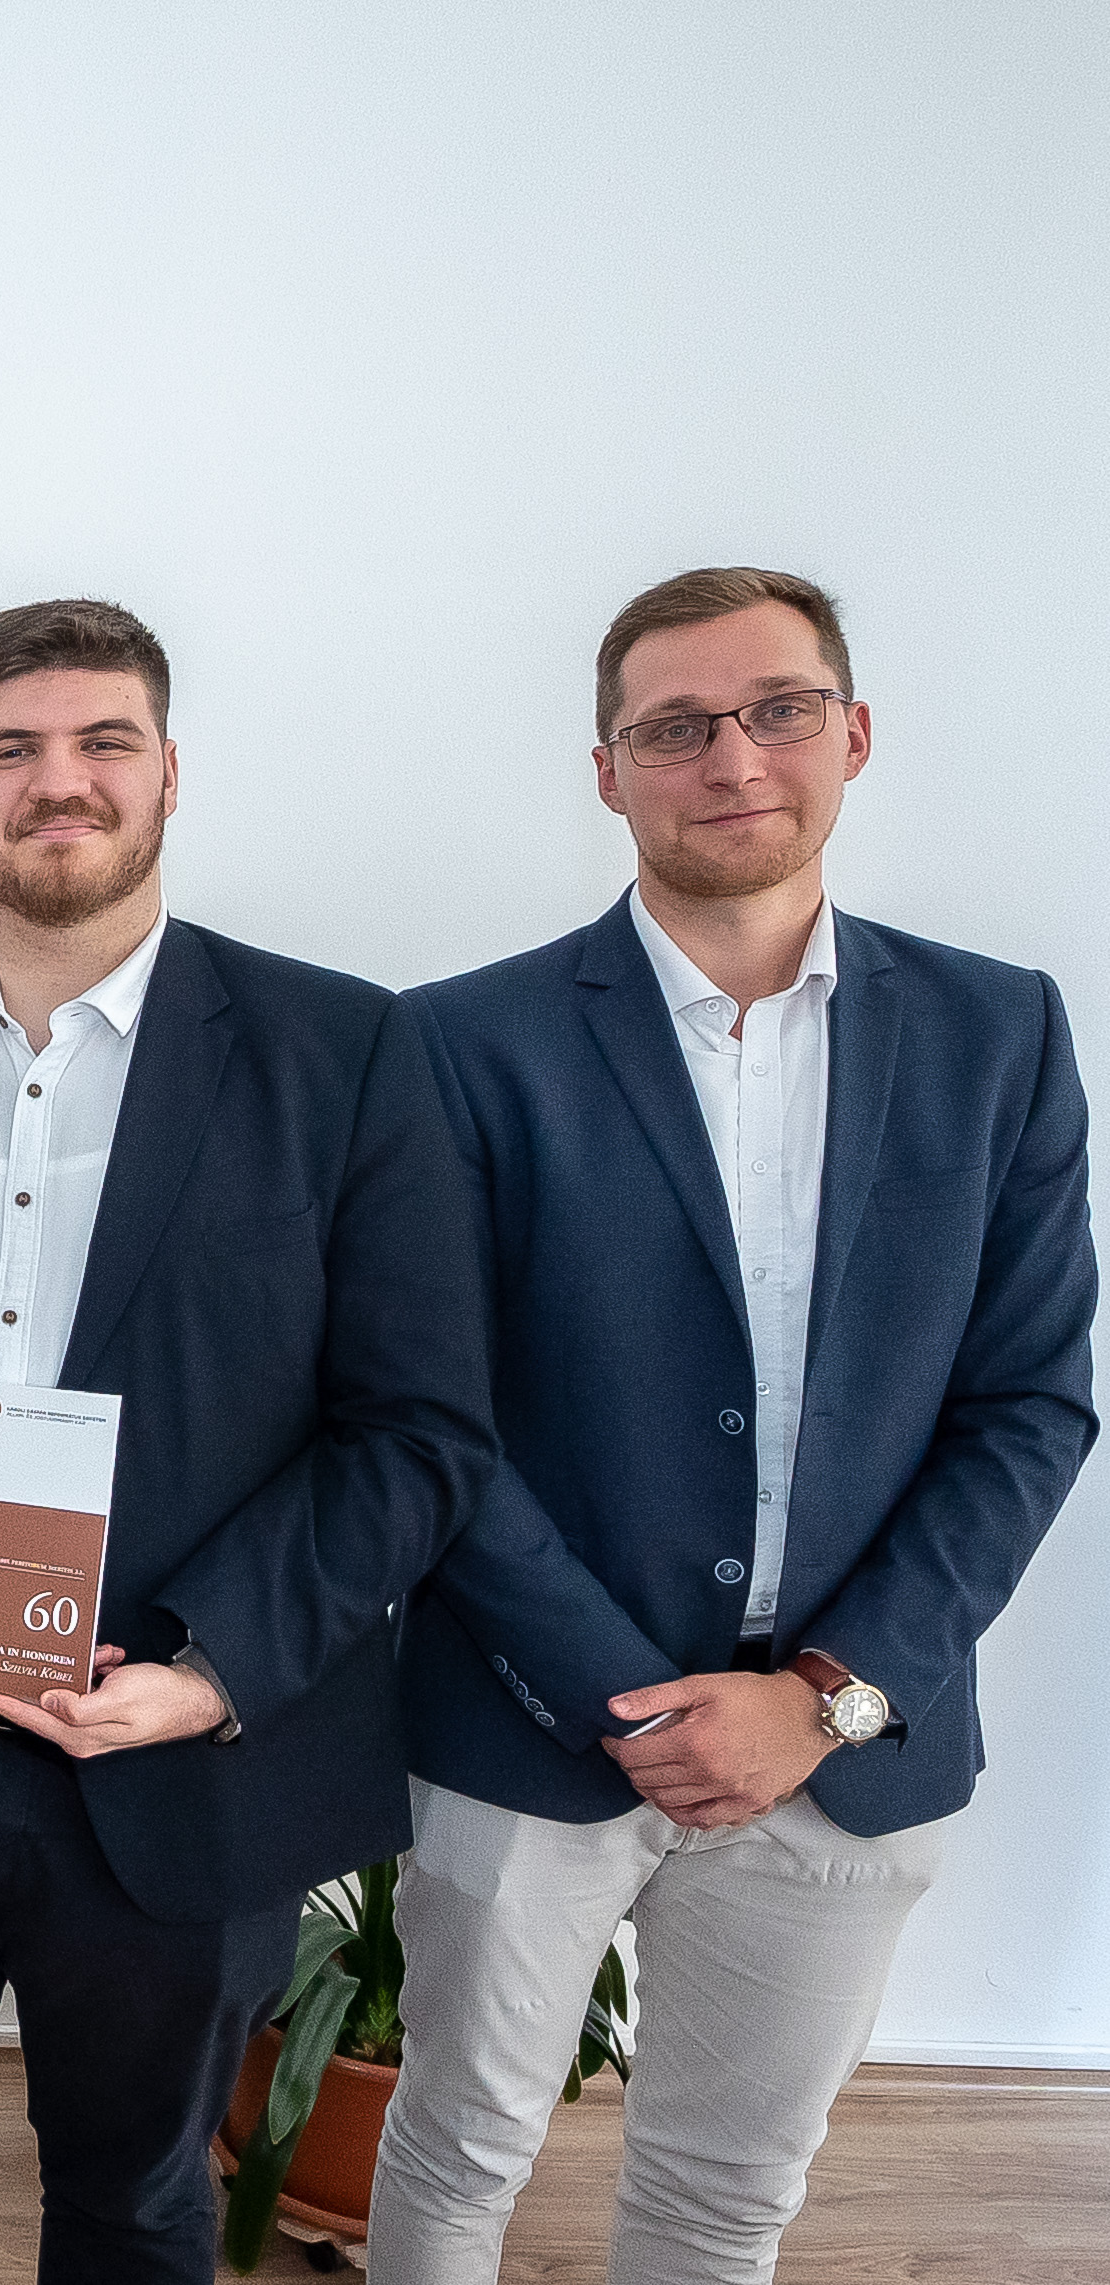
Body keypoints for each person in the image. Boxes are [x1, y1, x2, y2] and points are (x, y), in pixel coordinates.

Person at [0, 599, 498, 2284]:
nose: (57, 781)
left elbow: (415, 1430)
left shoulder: (343, 1049)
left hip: (174, 1743)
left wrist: (214, 1672)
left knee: (138, 2196)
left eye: (102, 742)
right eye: (13, 748)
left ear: (170, 772)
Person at [371, 568, 1097, 2282]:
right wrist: (627, 1700)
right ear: (607, 769)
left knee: (724, 2196)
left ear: (855, 732)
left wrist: (825, 1697)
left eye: (779, 709)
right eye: (676, 726)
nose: (735, 757)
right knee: (458, 2153)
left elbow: (1028, 1403)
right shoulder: (456, 1043)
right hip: (529, 1720)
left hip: (848, 1745)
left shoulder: (998, 1031)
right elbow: (424, 1411)